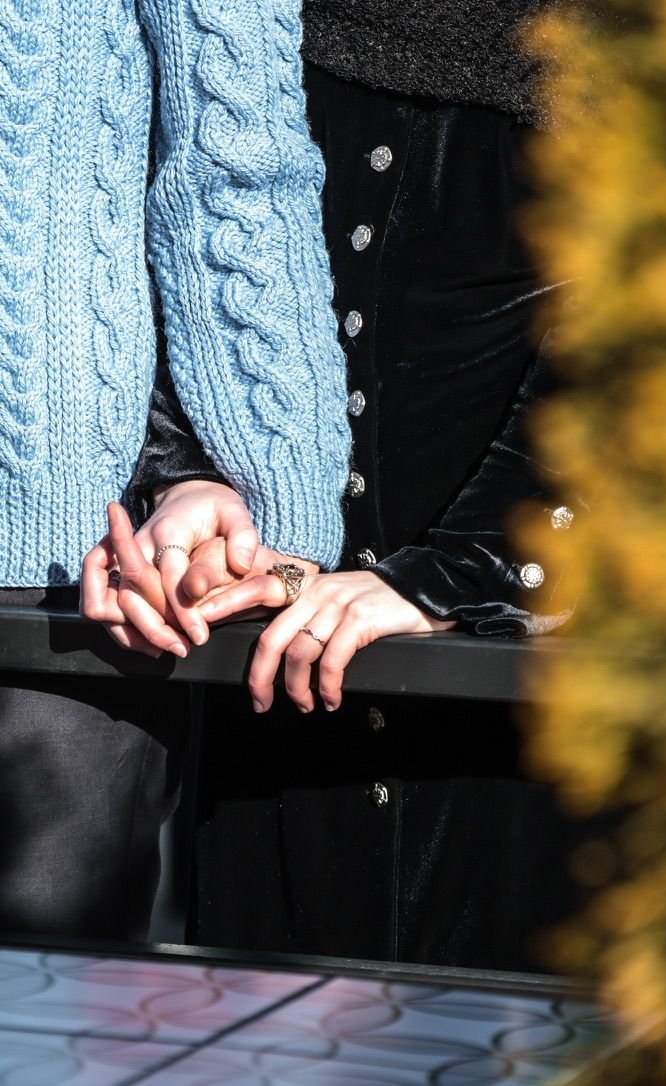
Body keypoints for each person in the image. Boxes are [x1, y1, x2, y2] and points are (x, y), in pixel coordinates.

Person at [88, 0, 590, 968]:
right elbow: (183, 211)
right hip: (273, 689)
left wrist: (474, 566)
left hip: (537, 670)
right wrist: (193, 471)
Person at [0, 0, 349, 941]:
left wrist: (274, 511)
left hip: (48, 579)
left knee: (36, 997)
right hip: (60, 563)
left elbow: (232, 161)